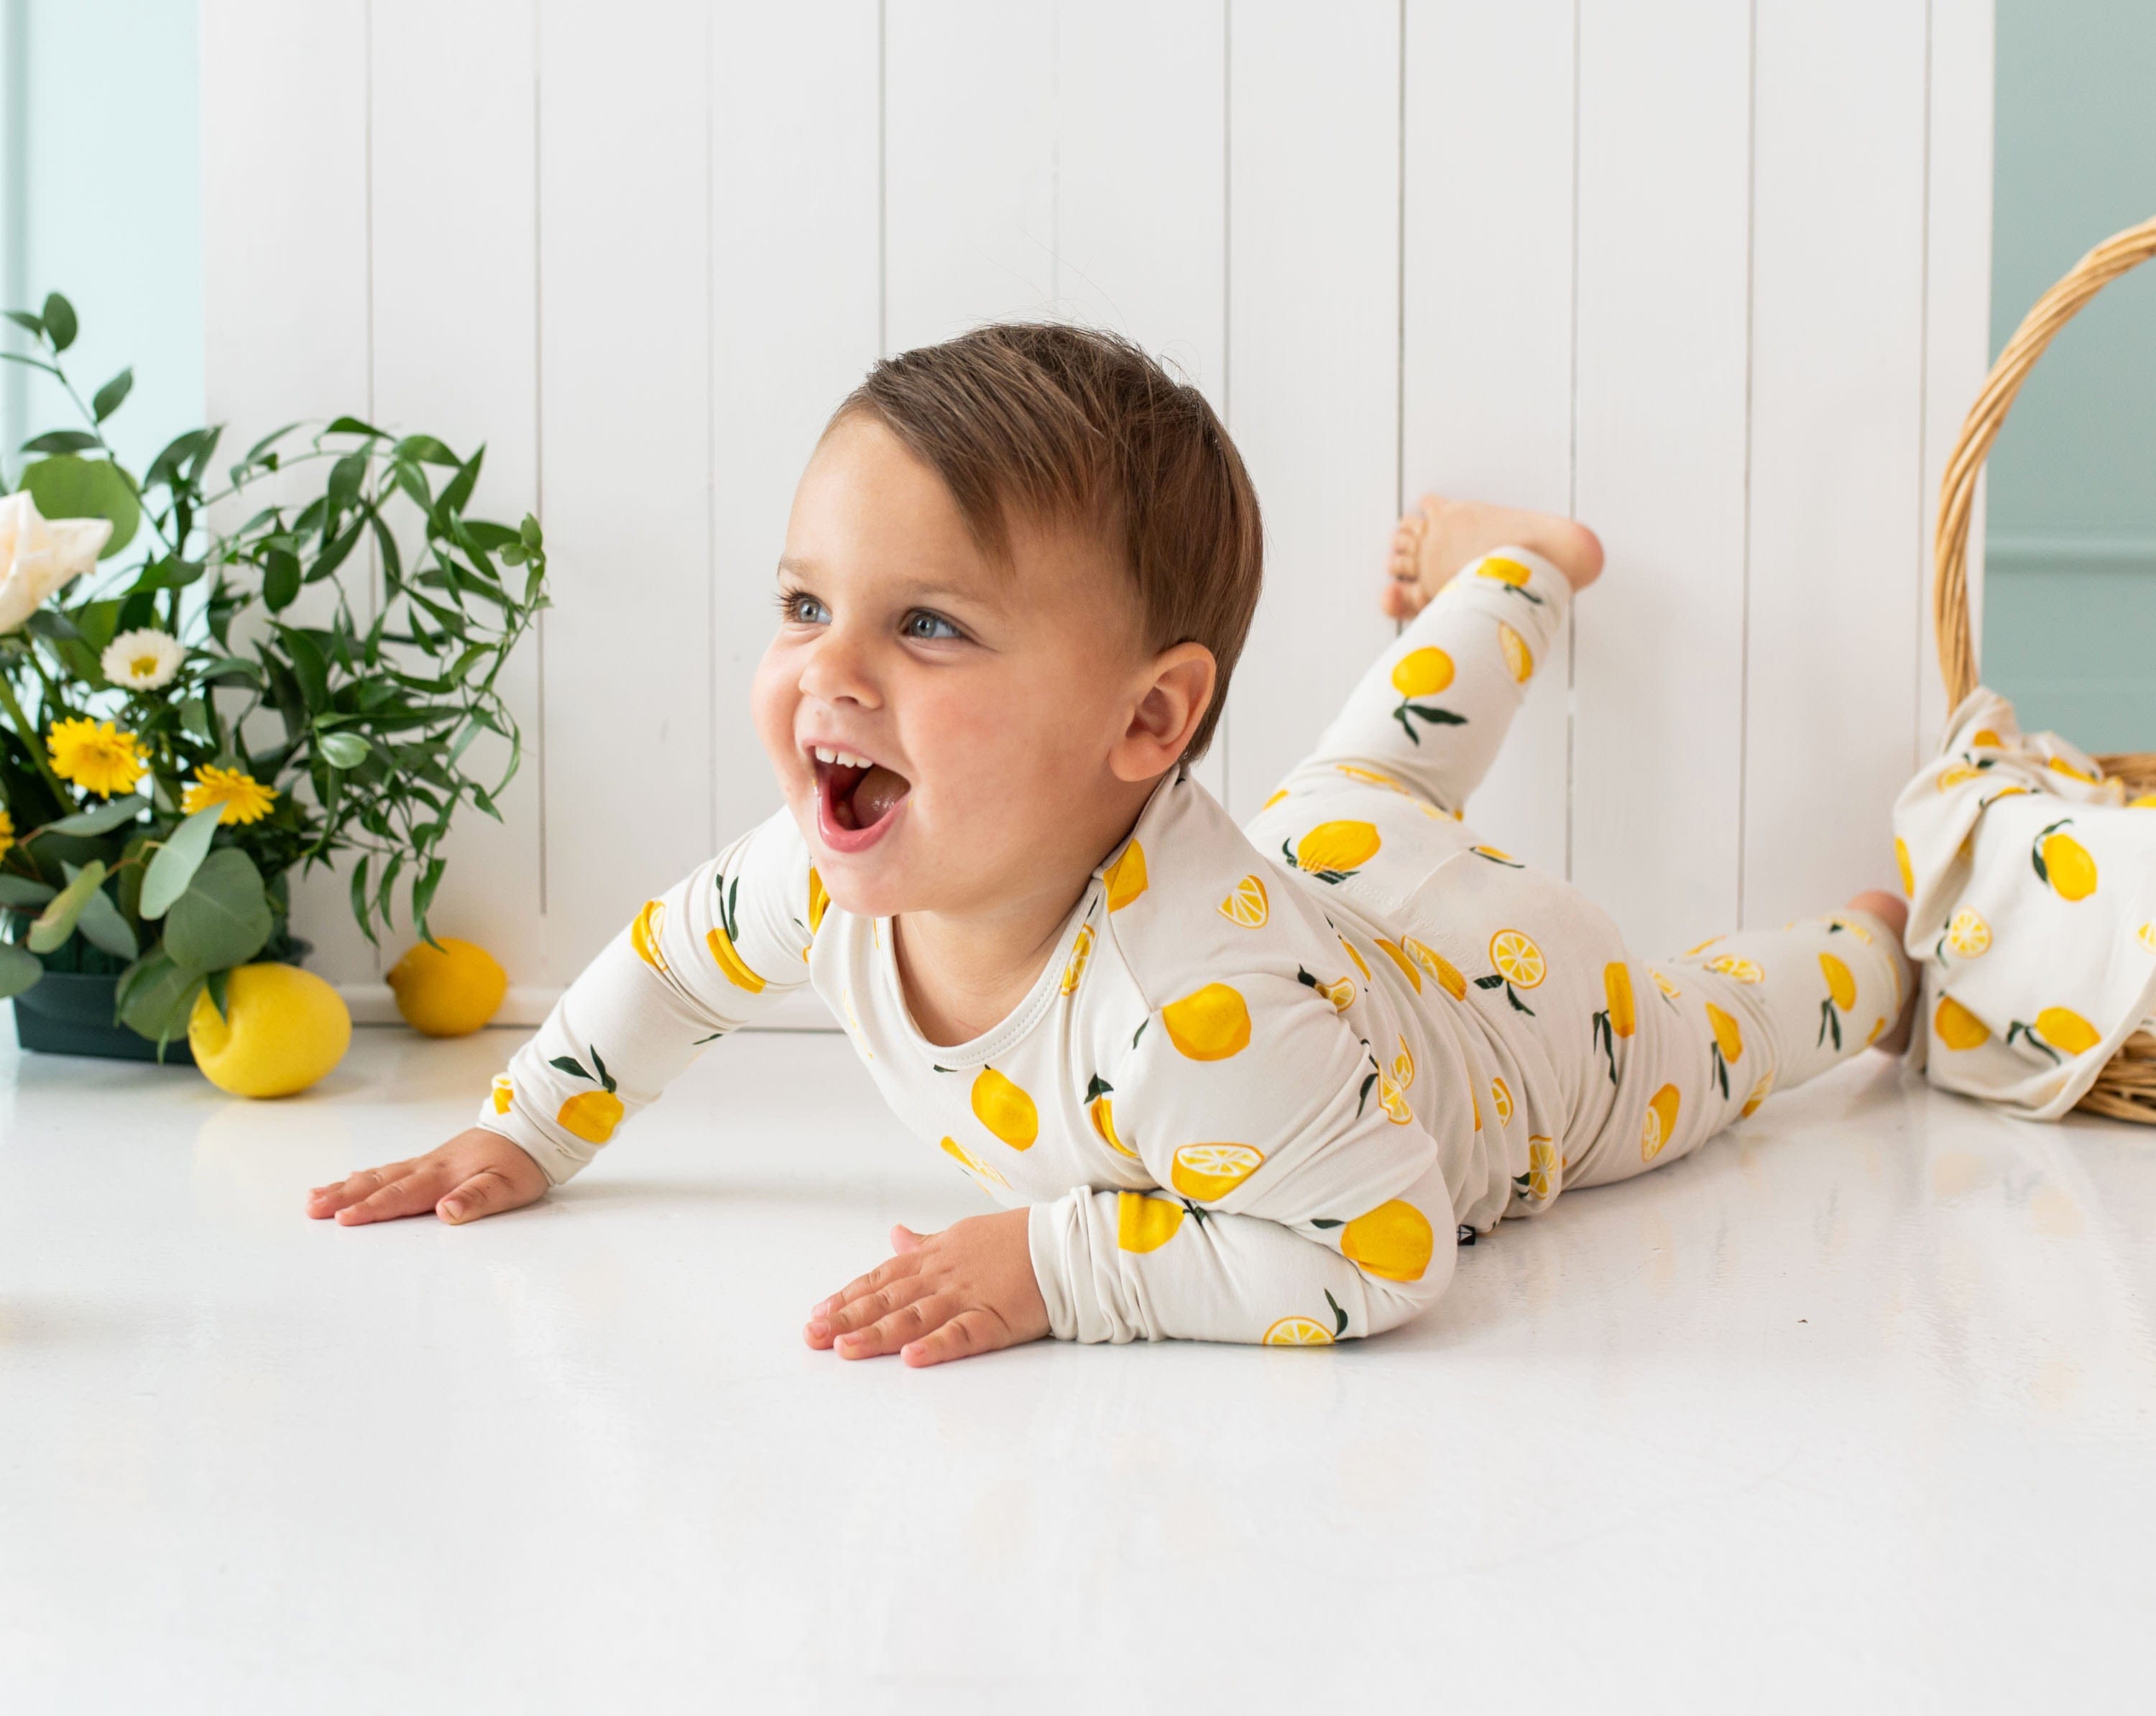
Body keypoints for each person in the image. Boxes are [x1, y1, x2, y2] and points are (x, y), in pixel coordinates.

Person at [306, 324, 1912, 1361]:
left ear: (1149, 727)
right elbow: (672, 969)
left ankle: (1873, 958)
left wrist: (1064, 1270)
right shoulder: (823, 872)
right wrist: (527, 1130)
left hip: (1519, 1025)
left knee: (1713, 1036)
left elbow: (1388, 1242)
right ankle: (1522, 572)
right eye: (806, 607)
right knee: (1376, 774)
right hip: (1321, 875)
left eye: (926, 626)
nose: (828, 676)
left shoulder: (1191, 1023)